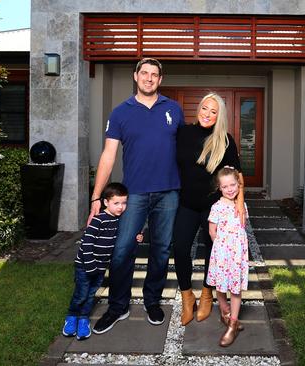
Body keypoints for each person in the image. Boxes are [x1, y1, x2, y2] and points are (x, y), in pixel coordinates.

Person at [90, 58, 185, 334]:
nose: (149, 78)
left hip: (168, 193)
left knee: (161, 250)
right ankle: (117, 307)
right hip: (135, 195)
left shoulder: (173, 109)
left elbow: (187, 149)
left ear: (160, 79)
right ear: (135, 76)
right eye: (144, 73)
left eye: (154, 74)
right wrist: (97, 197)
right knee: (121, 251)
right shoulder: (121, 113)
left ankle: (152, 300)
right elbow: (108, 155)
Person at [173, 93, 245, 326]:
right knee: (181, 248)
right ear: (199, 108)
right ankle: (187, 297)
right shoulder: (183, 132)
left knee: (213, 251)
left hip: (214, 208)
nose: (207, 114)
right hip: (186, 203)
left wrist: (240, 206)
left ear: (219, 115)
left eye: (213, 111)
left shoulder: (224, 140)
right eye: (205, 108)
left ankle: (206, 294)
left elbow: (238, 176)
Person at [61, 182, 129, 341]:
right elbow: (86, 243)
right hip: (85, 266)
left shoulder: (118, 220)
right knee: (81, 294)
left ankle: (83, 319)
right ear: (106, 202)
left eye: (124, 203)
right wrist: (90, 265)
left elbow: (118, 238)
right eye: (116, 203)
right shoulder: (99, 219)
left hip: (100, 267)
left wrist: (137, 236)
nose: (121, 207)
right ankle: (71, 317)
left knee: (91, 294)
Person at [207, 166, 249, 347]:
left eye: (233, 185)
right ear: (219, 188)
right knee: (220, 285)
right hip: (222, 254)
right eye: (225, 187)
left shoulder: (242, 205)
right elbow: (212, 232)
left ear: (239, 185)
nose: (230, 189)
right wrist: (222, 250)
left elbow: (242, 228)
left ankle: (233, 323)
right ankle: (225, 313)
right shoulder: (216, 207)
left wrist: (237, 250)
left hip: (238, 255)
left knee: (236, 289)